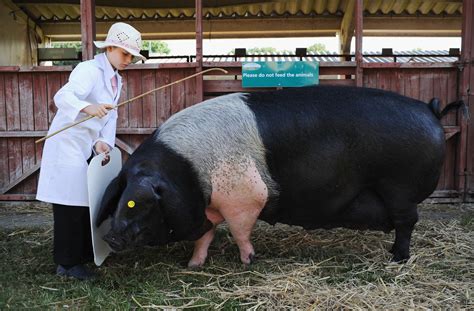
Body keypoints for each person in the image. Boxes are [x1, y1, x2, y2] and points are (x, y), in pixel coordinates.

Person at [36, 22, 146, 280]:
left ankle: (84, 254)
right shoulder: (88, 70)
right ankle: (66, 264)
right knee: (69, 205)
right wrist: (87, 107)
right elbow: (63, 97)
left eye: (132, 56)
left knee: (86, 202)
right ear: (109, 48)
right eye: (125, 53)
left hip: (87, 144)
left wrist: (103, 141)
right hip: (68, 144)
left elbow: (111, 116)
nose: (128, 60)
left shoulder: (116, 78)